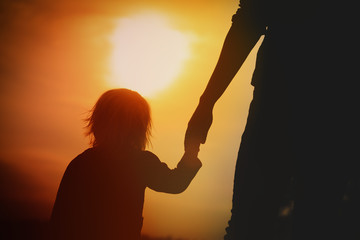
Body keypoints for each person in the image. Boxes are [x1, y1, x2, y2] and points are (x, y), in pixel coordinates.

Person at [185, 0, 357, 239]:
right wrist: (206, 102)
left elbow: (249, 21)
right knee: (313, 223)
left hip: (286, 109)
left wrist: (207, 103)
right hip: (321, 113)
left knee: (250, 227)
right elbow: (249, 20)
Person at [50, 89, 202, 240]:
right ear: (140, 128)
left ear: (97, 122)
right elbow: (175, 183)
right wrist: (192, 149)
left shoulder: (81, 164)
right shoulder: (140, 162)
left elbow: (59, 220)